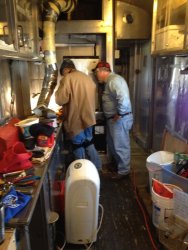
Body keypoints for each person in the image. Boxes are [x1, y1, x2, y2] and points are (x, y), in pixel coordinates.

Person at [55, 59, 102, 171]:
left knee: (78, 145)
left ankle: (82, 172)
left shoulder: (67, 78)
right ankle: (97, 168)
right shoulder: (87, 78)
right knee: (89, 143)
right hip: (89, 117)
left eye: (62, 73)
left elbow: (60, 100)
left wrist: (57, 92)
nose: (63, 76)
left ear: (66, 69)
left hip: (76, 119)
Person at [93, 61, 133, 180]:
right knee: (113, 145)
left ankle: (124, 172)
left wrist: (120, 113)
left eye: (96, 73)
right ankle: (119, 166)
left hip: (119, 120)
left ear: (102, 71)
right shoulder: (110, 81)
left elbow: (124, 98)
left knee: (121, 145)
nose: (96, 76)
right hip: (113, 120)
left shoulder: (114, 80)